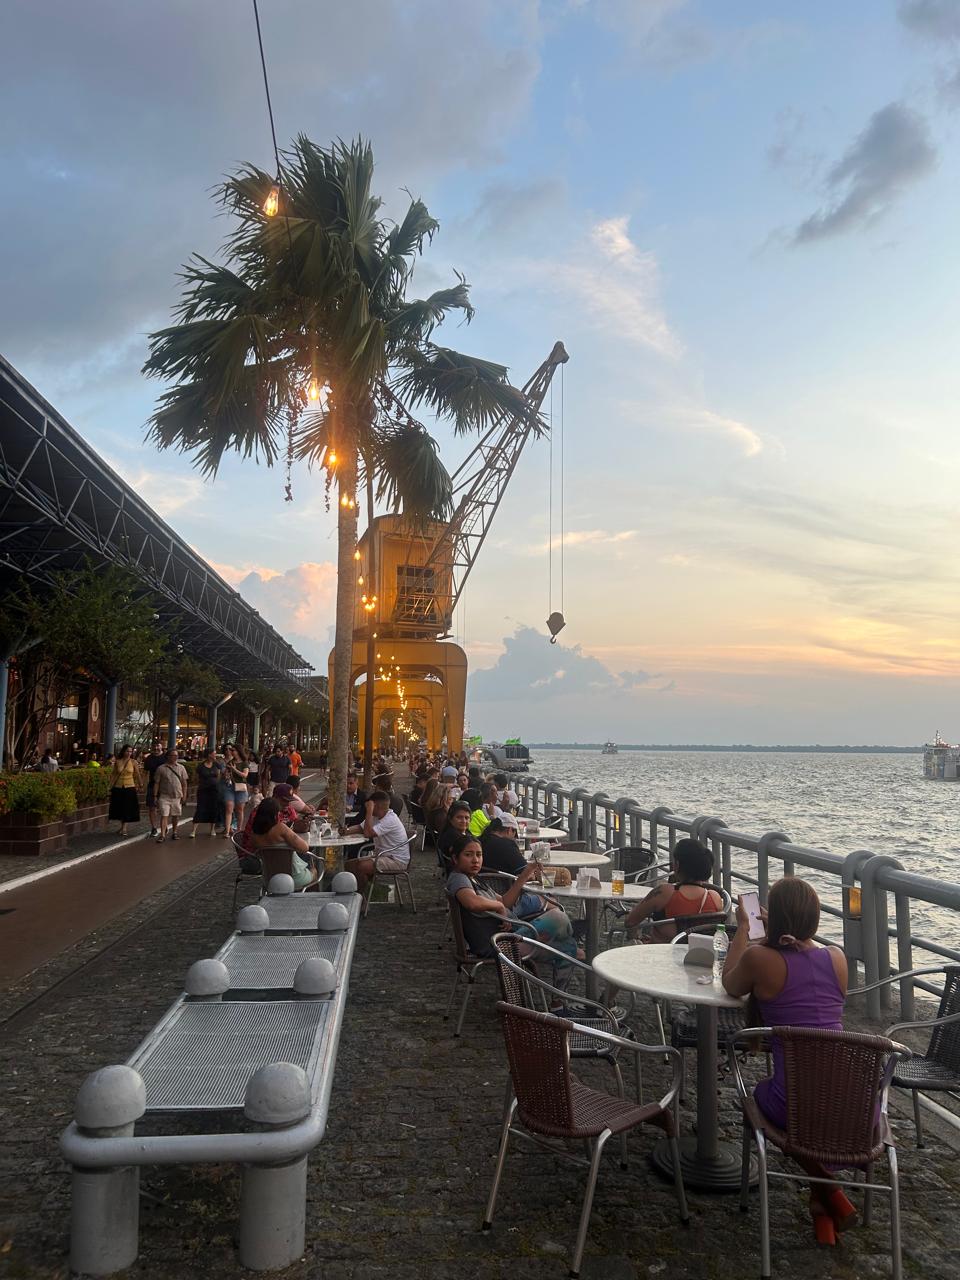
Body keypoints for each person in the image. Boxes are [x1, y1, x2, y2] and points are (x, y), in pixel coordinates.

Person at [722, 877, 851, 1246]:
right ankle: (823, 1205)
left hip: (793, 1102)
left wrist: (745, 930)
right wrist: (776, 933)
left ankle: (827, 1189)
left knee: (761, 1098)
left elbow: (730, 984)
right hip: (854, 1106)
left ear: (773, 916)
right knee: (811, 1109)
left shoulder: (760, 957)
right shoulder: (837, 957)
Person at [445, 835, 576, 959]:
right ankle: (575, 932)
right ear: (456, 859)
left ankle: (570, 942)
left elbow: (505, 902)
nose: (475, 860)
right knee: (558, 916)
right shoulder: (459, 878)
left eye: (479, 855)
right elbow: (472, 902)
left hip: (511, 934)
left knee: (569, 948)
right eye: (468, 855)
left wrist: (526, 873)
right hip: (499, 943)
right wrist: (499, 906)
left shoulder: (474, 878)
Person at [623, 838, 724, 941]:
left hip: (661, 953)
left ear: (677, 865)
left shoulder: (664, 892)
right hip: (697, 954)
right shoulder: (714, 897)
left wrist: (636, 937)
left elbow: (630, 921)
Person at [344, 790, 411, 895]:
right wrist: (345, 831)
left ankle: (361, 899)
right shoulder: (376, 817)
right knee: (349, 865)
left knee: (361, 867)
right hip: (382, 855)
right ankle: (357, 894)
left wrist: (369, 811)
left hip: (396, 860)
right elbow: (360, 827)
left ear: (377, 806)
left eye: (370, 805)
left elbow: (367, 833)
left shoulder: (390, 819)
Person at [248, 796, 318, 890]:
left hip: (270, 879)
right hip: (293, 878)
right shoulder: (281, 828)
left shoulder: (254, 834)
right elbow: (304, 848)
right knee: (315, 870)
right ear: (275, 814)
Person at [108, 744, 142, 837]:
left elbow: (137, 774)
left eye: (131, 751)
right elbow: (114, 775)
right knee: (119, 808)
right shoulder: (118, 762)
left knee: (127, 808)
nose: (129, 753)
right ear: (123, 751)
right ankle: (121, 826)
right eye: (127, 751)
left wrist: (140, 784)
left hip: (130, 787)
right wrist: (110, 786)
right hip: (118, 787)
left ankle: (124, 828)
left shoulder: (133, 762)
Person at [154, 749, 188, 842]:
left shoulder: (181, 768)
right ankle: (162, 835)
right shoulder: (161, 768)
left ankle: (174, 832)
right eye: (173, 755)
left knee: (175, 815)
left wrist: (184, 796)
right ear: (168, 756)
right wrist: (155, 796)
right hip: (164, 796)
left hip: (177, 796)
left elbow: (184, 783)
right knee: (164, 815)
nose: (175, 757)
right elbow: (156, 783)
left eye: (176, 755)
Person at [190, 746, 222, 839]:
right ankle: (194, 830)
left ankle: (212, 829)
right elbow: (196, 778)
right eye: (214, 754)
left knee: (214, 808)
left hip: (214, 790)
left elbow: (219, 776)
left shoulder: (217, 765)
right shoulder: (201, 766)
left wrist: (217, 784)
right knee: (200, 808)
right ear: (209, 755)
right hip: (203, 790)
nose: (215, 755)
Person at [223, 744, 249, 837]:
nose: (231, 752)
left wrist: (234, 769)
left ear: (238, 751)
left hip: (241, 787)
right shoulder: (230, 762)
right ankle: (227, 831)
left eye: (233, 750)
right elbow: (226, 774)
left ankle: (238, 829)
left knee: (239, 810)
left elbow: (245, 775)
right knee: (229, 808)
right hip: (230, 787)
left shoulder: (244, 763)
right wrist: (226, 773)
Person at [142, 739, 166, 837]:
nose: (156, 748)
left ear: (161, 746)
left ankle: (164, 826)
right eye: (154, 746)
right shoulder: (149, 758)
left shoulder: (166, 758)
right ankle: (154, 828)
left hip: (164, 786)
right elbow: (145, 773)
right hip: (152, 785)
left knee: (164, 807)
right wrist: (143, 784)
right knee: (152, 807)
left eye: (158, 746)